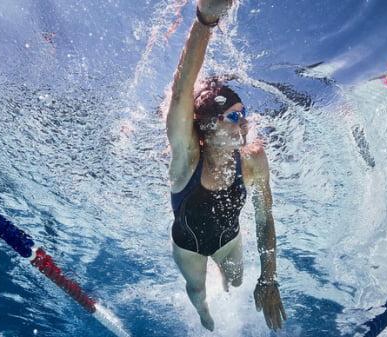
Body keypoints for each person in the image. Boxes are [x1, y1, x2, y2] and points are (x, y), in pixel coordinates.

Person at [166, 0, 287, 331]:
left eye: (244, 115)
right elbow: (180, 95)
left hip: (229, 240)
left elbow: (265, 219)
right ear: (207, 126)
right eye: (234, 117)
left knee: (234, 283)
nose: (244, 124)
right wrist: (205, 21)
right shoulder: (187, 159)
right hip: (187, 246)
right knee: (196, 289)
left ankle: (223, 281)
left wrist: (269, 277)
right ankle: (205, 314)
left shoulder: (252, 161)